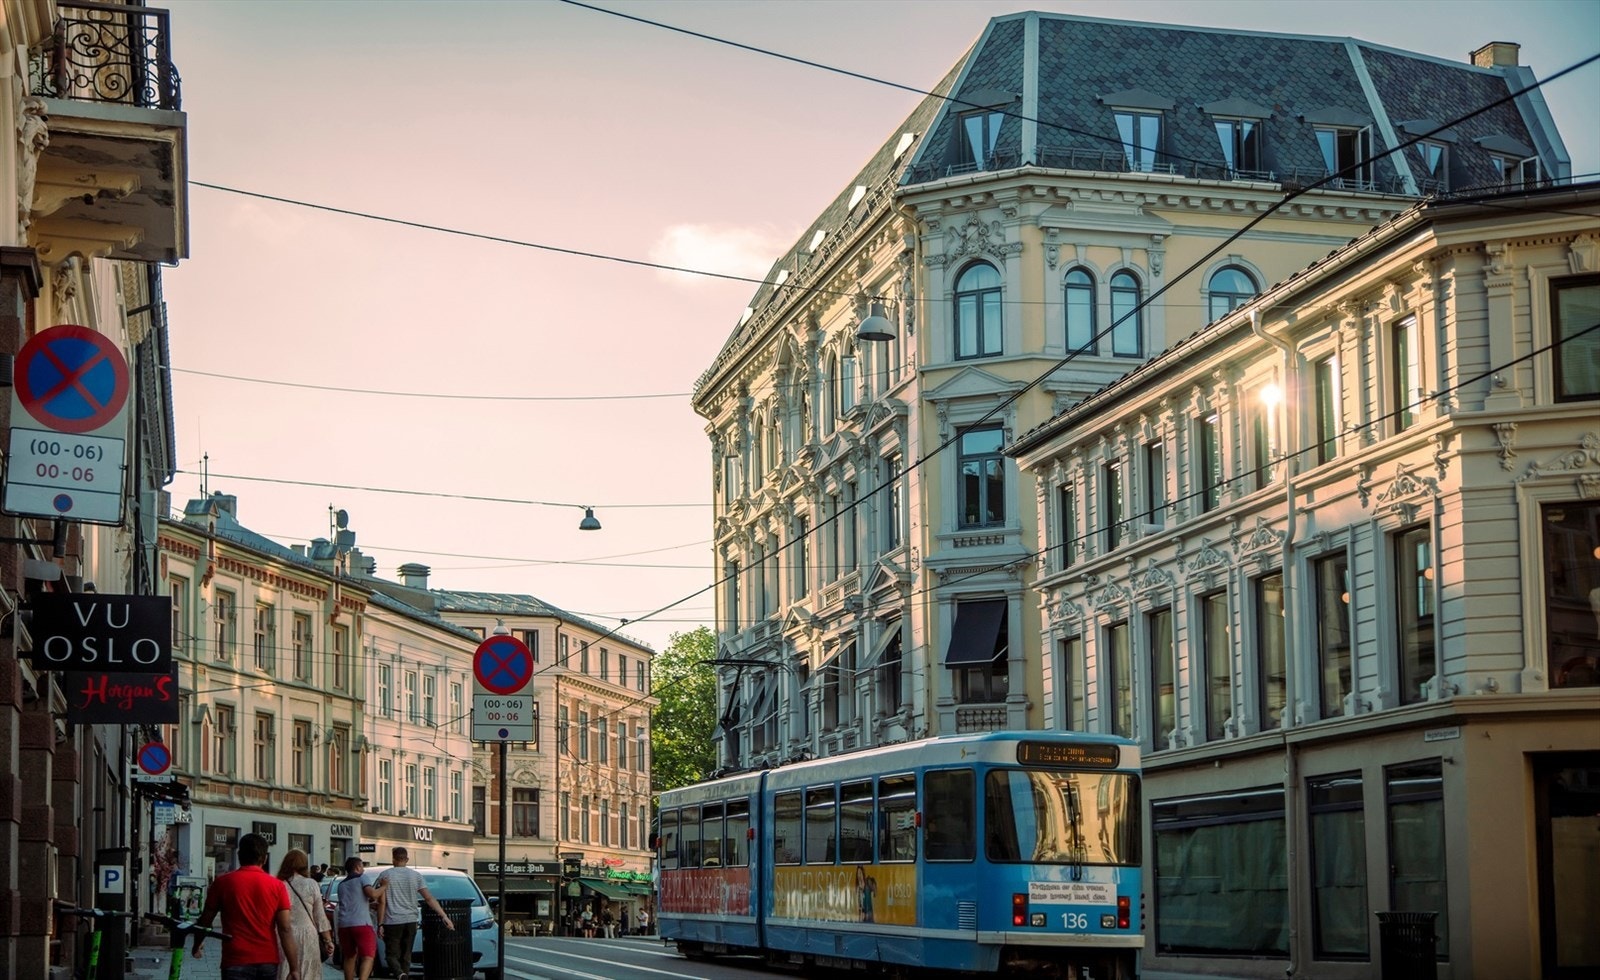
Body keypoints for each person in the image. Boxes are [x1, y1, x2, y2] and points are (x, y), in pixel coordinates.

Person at [192, 832, 302, 980]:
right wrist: (294, 968)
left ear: (239, 855)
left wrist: (197, 944)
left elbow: (206, 920)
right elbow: (285, 928)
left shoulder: (222, 883)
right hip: (267, 959)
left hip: (235, 959)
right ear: (265, 858)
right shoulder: (277, 886)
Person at [376, 846, 453, 977]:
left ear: (393, 859)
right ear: (407, 859)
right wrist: (444, 916)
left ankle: (400, 974)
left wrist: (380, 924)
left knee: (391, 955)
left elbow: (382, 902)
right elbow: (429, 898)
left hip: (392, 920)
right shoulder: (416, 876)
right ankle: (404, 974)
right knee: (406, 954)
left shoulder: (385, 876)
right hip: (411, 920)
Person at [276, 848, 333, 980]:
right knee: (308, 972)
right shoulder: (311, 884)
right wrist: (328, 940)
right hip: (308, 935)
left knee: (286, 969)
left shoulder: (279, 884)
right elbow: (319, 916)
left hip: (284, 935)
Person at [336, 856, 384, 980]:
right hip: (362, 924)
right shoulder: (362, 878)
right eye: (362, 866)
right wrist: (384, 886)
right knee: (368, 956)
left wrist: (367, 904)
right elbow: (372, 894)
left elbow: (352, 902)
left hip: (344, 925)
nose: (363, 869)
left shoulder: (341, 884)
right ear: (357, 867)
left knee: (349, 956)